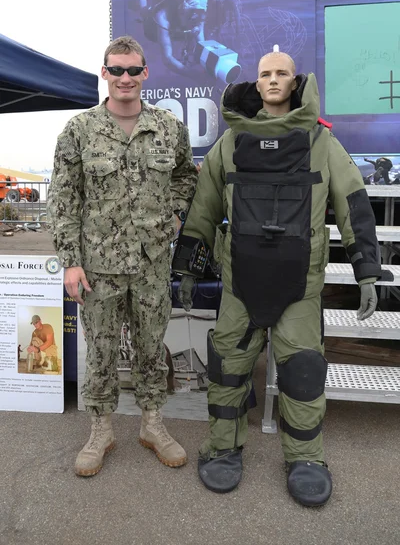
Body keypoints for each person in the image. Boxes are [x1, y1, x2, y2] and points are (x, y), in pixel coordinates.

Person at [173, 52, 388, 506]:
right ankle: (224, 448)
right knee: (228, 372)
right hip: (240, 285)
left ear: (295, 81)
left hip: (301, 289)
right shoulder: (229, 145)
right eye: (266, 74)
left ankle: (306, 458)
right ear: (256, 82)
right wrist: (185, 269)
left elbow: (354, 203)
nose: (273, 81)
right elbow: (203, 211)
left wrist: (366, 270)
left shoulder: (321, 143)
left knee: (303, 375)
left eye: (282, 74)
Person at [48, 35, 198, 477]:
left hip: (152, 263)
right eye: (116, 70)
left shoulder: (169, 127)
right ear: (105, 73)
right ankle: (101, 431)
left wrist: (173, 218)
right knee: (101, 350)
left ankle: (153, 425)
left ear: (145, 73)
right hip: (98, 266)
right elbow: (63, 198)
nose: (125, 78)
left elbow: (187, 177)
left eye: (133, 70)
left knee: (152, 347)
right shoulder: (79, 130)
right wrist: (71, 261)